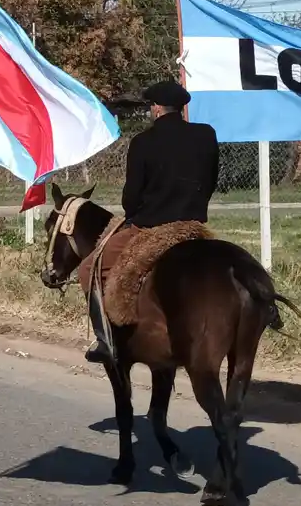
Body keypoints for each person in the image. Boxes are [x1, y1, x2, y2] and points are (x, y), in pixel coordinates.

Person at [82, 80, 219, 364]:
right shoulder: (206, 135)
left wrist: (137, 211)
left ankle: (106, 341)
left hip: (152, 227)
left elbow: (130, 200)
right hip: (194, 225)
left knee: (88, 269)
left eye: (151, 106)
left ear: (156, 109)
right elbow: (211, 181)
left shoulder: (143, 142)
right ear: (180, 108)